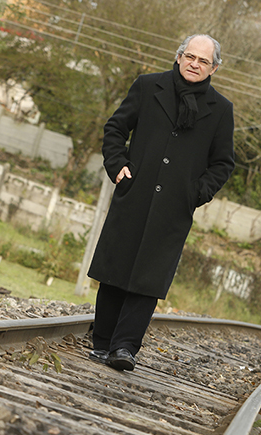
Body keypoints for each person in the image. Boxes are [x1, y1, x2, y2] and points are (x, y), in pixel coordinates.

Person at [87, 34, 235, 372]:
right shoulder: (147, 86)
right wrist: (118, 167)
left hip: (174, 208)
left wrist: (196, 193)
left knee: (148, 277)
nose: (194, 64)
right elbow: (115, 128)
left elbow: (223, 163)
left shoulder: (221, 110)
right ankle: (103, 342)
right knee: (115, 267)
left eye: (203, 61)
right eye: (190, 57)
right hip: (133, 192)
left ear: (214, 68)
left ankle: (125, 348)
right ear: (179, 55)